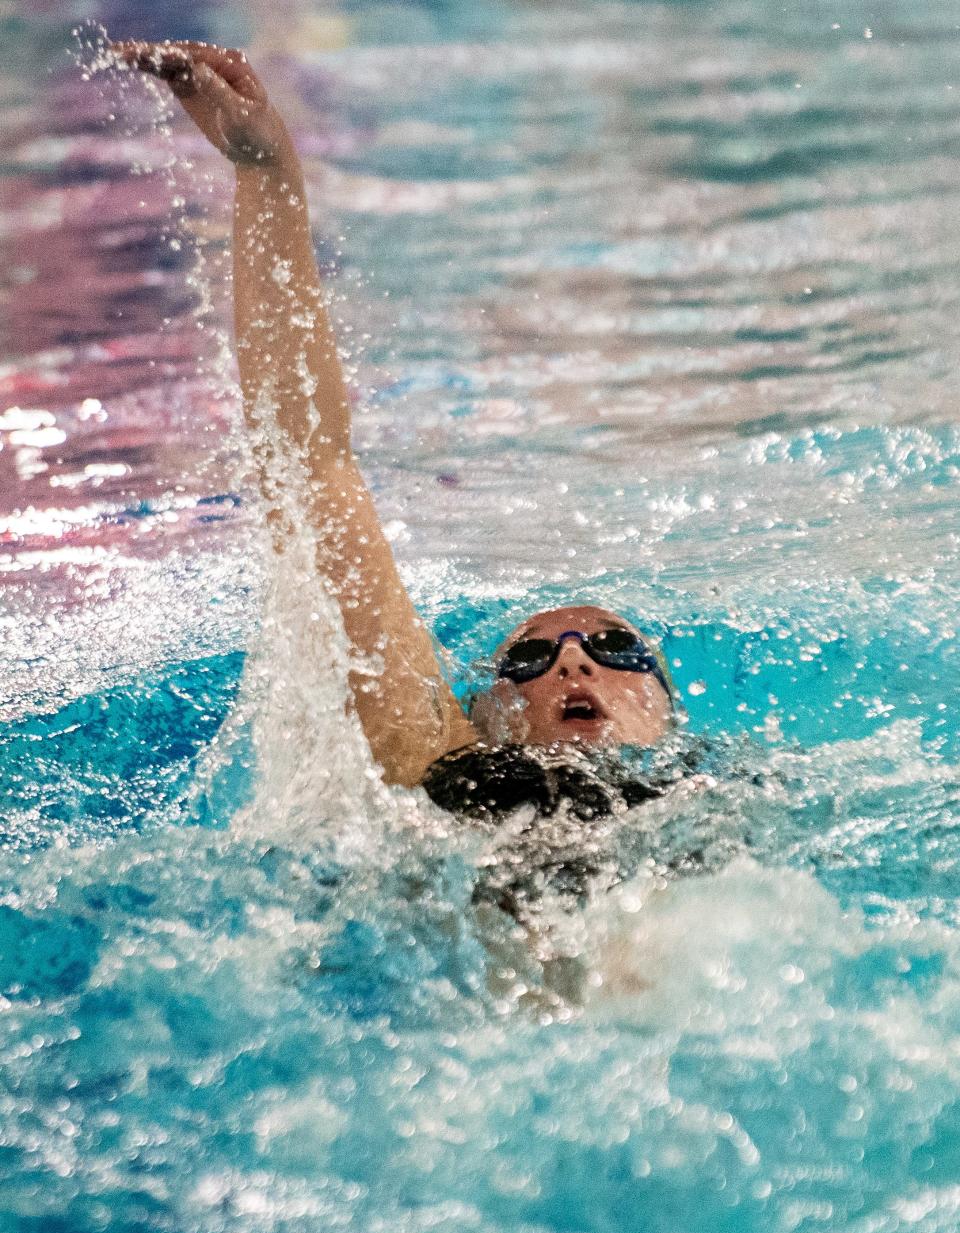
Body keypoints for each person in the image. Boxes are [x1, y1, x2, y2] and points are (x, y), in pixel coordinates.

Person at [114, 40, 678, 820]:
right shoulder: (444, 764)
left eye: (618, 648)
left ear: (667, 707)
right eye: (527, 659)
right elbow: (309, 461)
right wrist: (267, 172)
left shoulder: (744, 802)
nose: (574, 661)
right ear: (483, 712)